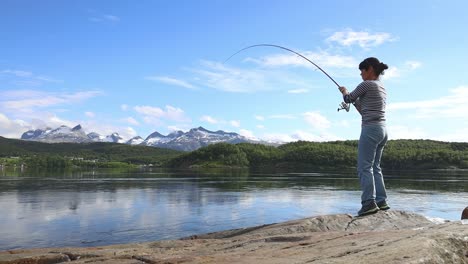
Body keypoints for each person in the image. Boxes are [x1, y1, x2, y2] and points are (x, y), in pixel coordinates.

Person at [338, 57, 389, 216]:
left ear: (370, 69)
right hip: (383, 130)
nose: (361, 74)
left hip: (370, 129)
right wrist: (355, 101)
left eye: (362, 70)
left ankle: (368, 203)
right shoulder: (381, 87)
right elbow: (362, 109)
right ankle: (381, 201)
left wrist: (344, 92)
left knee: (364, 167)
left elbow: (348, 98)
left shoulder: (367, 84)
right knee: (375, 167)